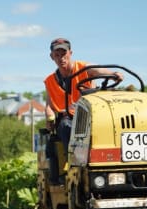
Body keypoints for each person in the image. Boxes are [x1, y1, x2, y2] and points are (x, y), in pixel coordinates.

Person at [44, 38, 123, 183]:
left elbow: (98, 70)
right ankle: (76, 162)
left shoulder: (84, 68)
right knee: (65, 126)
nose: (61, 58)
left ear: (70, 53)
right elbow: (49, 104)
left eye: (64, 53)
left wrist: (113, 74)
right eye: (57, 54)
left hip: (92, 114)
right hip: (69, 118)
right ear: (52, 57)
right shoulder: (50, 80)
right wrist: (49, 117)